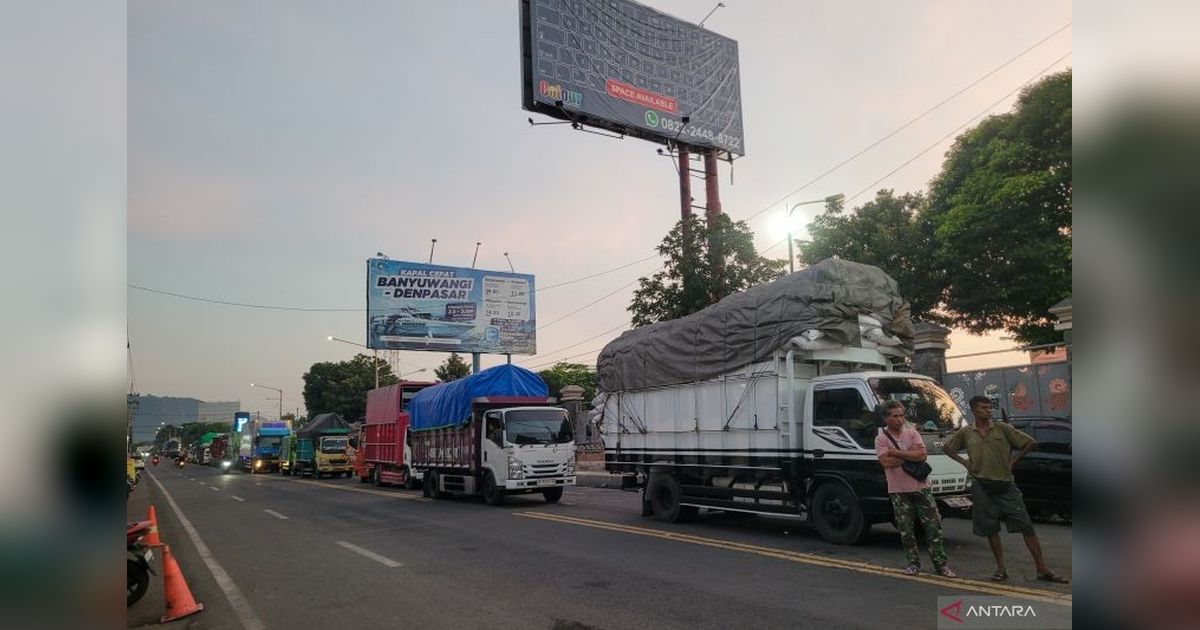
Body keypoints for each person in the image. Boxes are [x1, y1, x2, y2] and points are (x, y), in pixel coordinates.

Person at [942, 396, 1069, 583]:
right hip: (982, 485)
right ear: (974, 411)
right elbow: (947, 447)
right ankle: (1001, 569)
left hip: (1005, 485)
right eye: (983, 408)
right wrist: (965, 463)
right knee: (990, 528)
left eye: (989, 407)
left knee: (1026, 525)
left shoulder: (1002, 428)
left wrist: (1014, 460)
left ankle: (1042, 569)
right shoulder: (967, 432)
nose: (988, 411)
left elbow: (1029, 443)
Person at [875, 400, 956, 577]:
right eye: (895, 416)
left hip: (921, 488)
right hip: (898, 490)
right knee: (906, 530)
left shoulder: (912, 433)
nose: (899, 419)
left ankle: (941, 564)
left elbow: (921, 455)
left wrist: (895, 452)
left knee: (933, 527)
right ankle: (913, 563)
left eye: (902, 415)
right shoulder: (881, 439)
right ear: (886, 419)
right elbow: (885, 462)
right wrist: (909, 455)